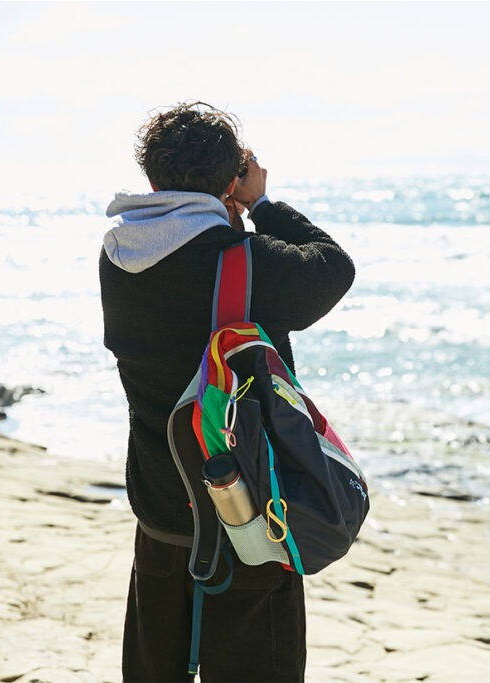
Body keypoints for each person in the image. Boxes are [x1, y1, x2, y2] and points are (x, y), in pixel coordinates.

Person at [99, 101, 355, 681]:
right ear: (232, 176)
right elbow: (332, 268)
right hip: (248, 512)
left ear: (152, 177)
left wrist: (227, 204)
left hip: (162, 510)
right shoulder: (243, 260)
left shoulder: (118, 255)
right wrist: (260, 204)